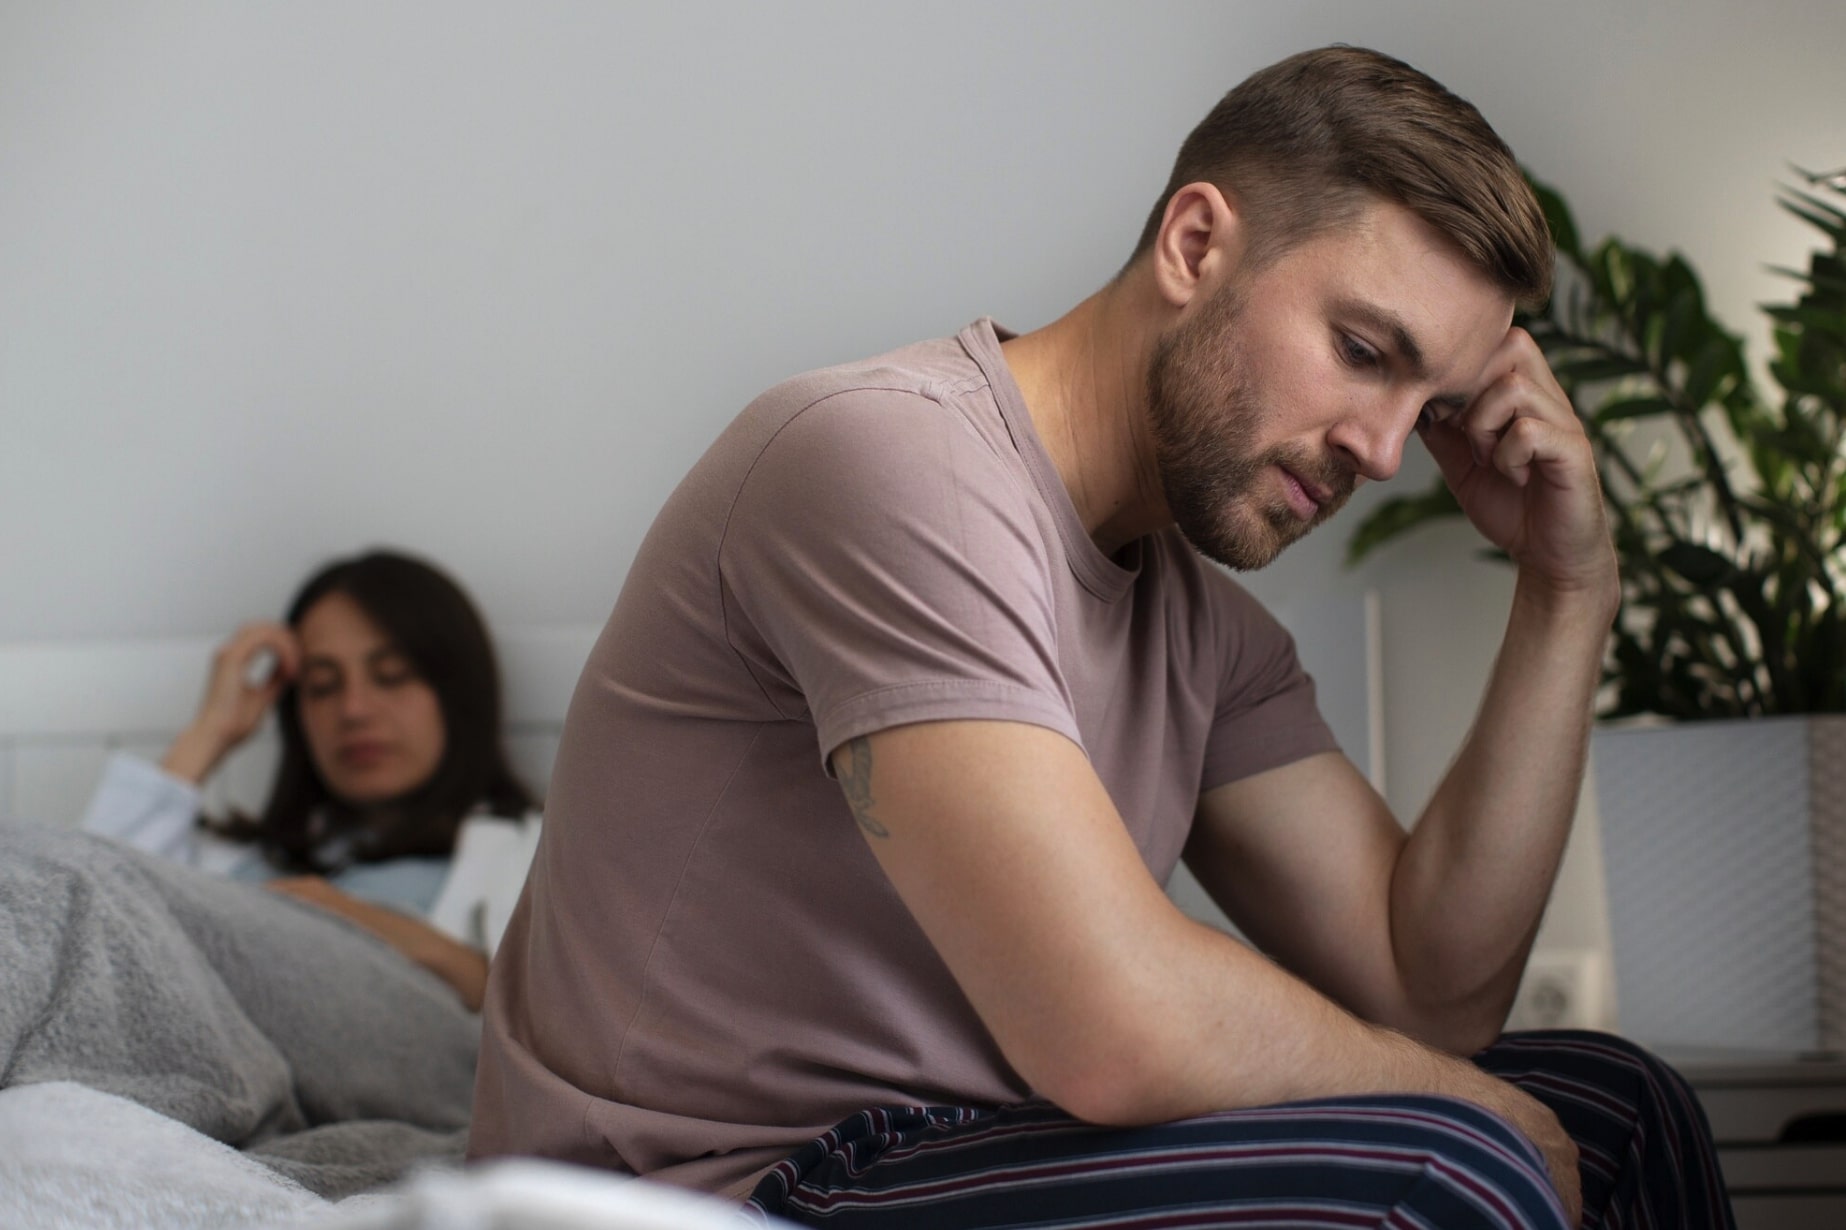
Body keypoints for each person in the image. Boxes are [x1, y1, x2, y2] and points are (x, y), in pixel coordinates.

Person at [470, 46, 1734, 1229]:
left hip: (954, 1144)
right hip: (720, 1179)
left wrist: (1568, 587)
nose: (1385, 450)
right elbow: (1110, 1024)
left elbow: (1426, 993)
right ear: (1195, 243)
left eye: (1431, 404)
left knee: (1619, 1107)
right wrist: (1463, 1105)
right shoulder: (885, 464)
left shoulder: (1202, 626)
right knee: (1451, 1161)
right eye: (1361, 352)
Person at [82, 548, 540, 1011]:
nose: (354, 709)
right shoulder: (229, 863)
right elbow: (84, 927)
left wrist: (336, 915)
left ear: (457, 694)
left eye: (391, 676)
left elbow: (534, 1016)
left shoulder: (532, 857)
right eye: (322, 686)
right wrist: (209, 733)